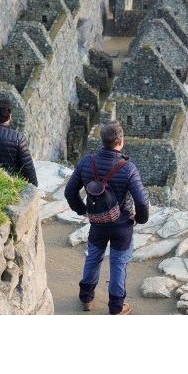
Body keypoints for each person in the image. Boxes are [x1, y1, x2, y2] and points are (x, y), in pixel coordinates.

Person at [65, 122, 149, 315]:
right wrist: (141, 219)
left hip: (97, 223)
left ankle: (86, 298)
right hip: (122, 226)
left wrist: (83, 211)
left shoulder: (87, 161)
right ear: (120, 141)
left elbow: (70, 191)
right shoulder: (128, 168)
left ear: (102, 141)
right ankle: (116, 307)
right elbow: (142, 201)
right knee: (118, 264)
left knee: (93, 257)